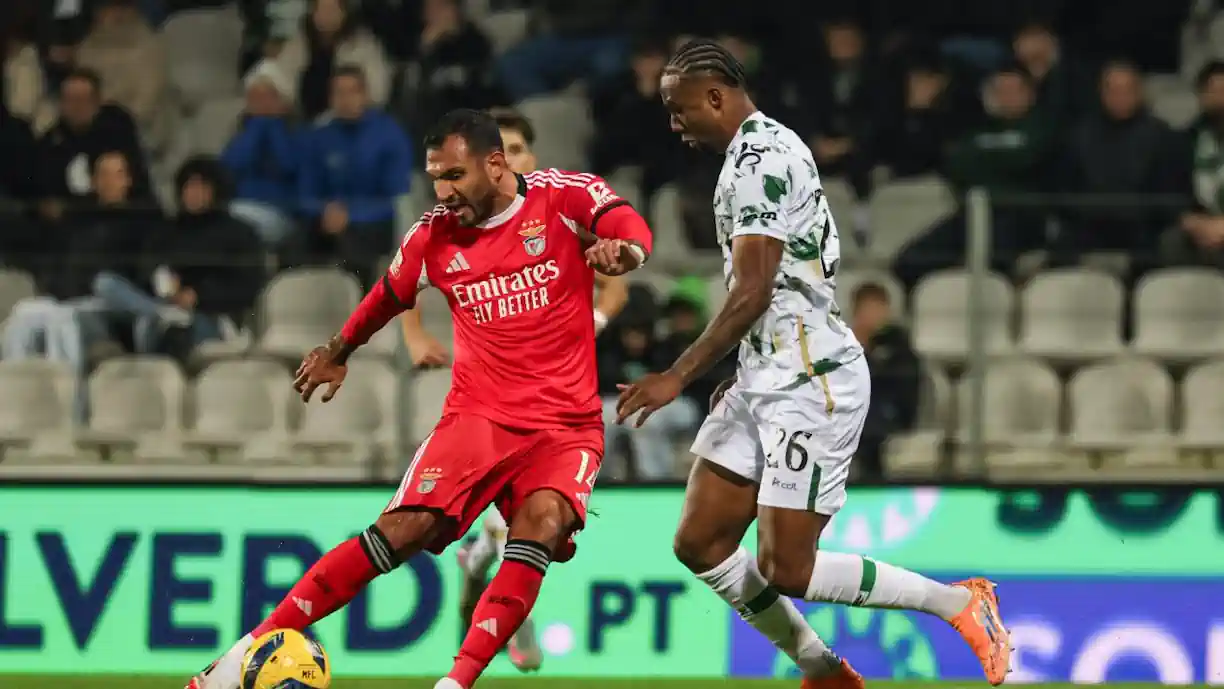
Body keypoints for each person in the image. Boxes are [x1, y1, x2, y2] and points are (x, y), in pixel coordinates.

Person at [185, 108, 653, 689]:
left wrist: (625, 254)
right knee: (401, 531)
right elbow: (387, 294)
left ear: (495, 163)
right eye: (435, 176)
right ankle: (240, 658)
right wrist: (339, 349)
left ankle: (455, 683)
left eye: (454, 175)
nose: (443, 191)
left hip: (566, 425)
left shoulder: (563, 197)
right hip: (479, 417)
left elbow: (630, 224)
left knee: (544, 522)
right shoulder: (434, 235)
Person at [614, 40, 1011, 689]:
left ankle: (961, 603)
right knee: (701, 540)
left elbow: (754, 290)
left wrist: (677, 375)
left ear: (714, 96)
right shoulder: (757, 151)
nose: (673, 122)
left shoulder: (760, 158)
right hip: (765, 367)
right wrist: (739, 369)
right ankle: (822, 668)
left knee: (788, 568)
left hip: (808, 376)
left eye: (678, 108)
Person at [400, 107, 629, 673]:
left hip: (561, 395)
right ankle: (508, 616)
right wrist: (415, 335)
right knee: (524, 518)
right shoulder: (458, 224)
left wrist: (588, 323)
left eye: (520, 148)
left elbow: (615, 285)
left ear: (524, 158)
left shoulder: (557, 213)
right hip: (488, 392)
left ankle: (479, 561)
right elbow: (403, 281)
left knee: (539, 519)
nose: (513, 159)